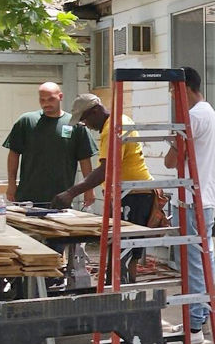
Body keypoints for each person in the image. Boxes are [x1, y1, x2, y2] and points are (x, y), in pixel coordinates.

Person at [53, 94, 155, 282]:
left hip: (132, 195)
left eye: (85, 119)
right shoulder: (119, 120)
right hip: (132, 193)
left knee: (123, 249)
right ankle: (121, 287)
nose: (86, 125)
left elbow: (106, 170)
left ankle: (122, 290)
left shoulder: (113, 128)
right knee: (123, 249)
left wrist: (71, 193)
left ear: (95, 111)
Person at [164, 67, 215, 344]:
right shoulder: (207, 112)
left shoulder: (194, 116)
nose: (173, 99)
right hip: (202, 197)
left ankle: (195, 325)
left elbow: (170, 161)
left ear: (184, 89)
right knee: (203, 257)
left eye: (173, 93)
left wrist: (174, 137)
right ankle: (200, 318)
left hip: (190, 200)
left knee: (192, 262)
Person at [4, 82, 98, 207]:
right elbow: (13, 154)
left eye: (50, 99)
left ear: (60, 97)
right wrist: (11, 185)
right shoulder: (26, 121)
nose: (46, 103)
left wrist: (89, 189)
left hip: (62, 197)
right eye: (42, 100)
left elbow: (85, 160)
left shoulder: (75, 124)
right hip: (27, 197)